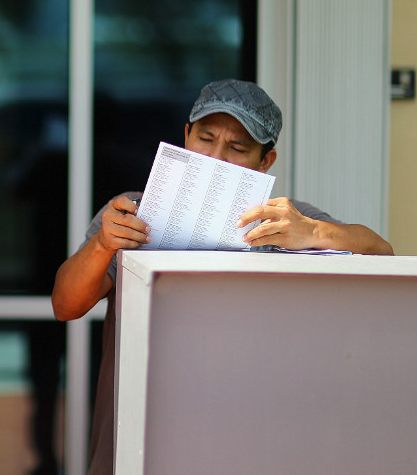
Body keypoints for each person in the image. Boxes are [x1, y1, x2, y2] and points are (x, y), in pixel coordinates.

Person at [51, 79, 393, 475]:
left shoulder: (285, 220)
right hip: (140, 432)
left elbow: (381, 252)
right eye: (206, 138)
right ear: (185, 136)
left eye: (237, 148)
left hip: (247, 437)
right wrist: (101, 246)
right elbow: (65, 305)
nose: (215, 157)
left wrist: (315, 233)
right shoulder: (132, 213)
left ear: (266, 162)